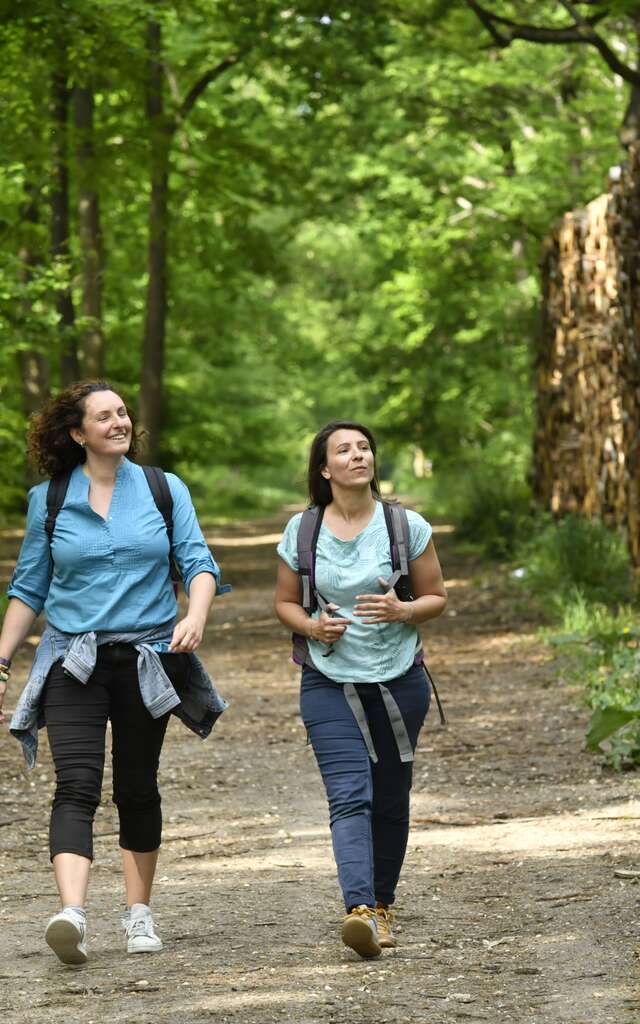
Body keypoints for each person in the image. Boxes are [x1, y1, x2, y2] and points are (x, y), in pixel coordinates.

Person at [0, 380, 228, 966]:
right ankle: (72, 915)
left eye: (123, 413)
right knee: (76, 784)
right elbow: (30, 587)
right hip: (73, 661)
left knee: (135, 785)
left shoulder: (162, 489)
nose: (119, 422)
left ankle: (138, 914)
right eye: (104, 417)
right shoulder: (49, 498)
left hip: (148, 659)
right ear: (78, 433)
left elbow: (198, 562)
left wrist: (195, 614)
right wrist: (2, 658)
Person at [274, 420, 447, 959]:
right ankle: (360, 910)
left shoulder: (404, 525)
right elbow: (284, 604)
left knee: (391, 799)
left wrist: (403, 609)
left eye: (365, 447)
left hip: (400, 681)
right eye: (344, 450)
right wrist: (311, 628)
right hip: (327, 681)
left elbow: (436, 597)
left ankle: (384, 904)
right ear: (325, 469)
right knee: (350, 795)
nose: (358, 456)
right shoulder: (302, 532)